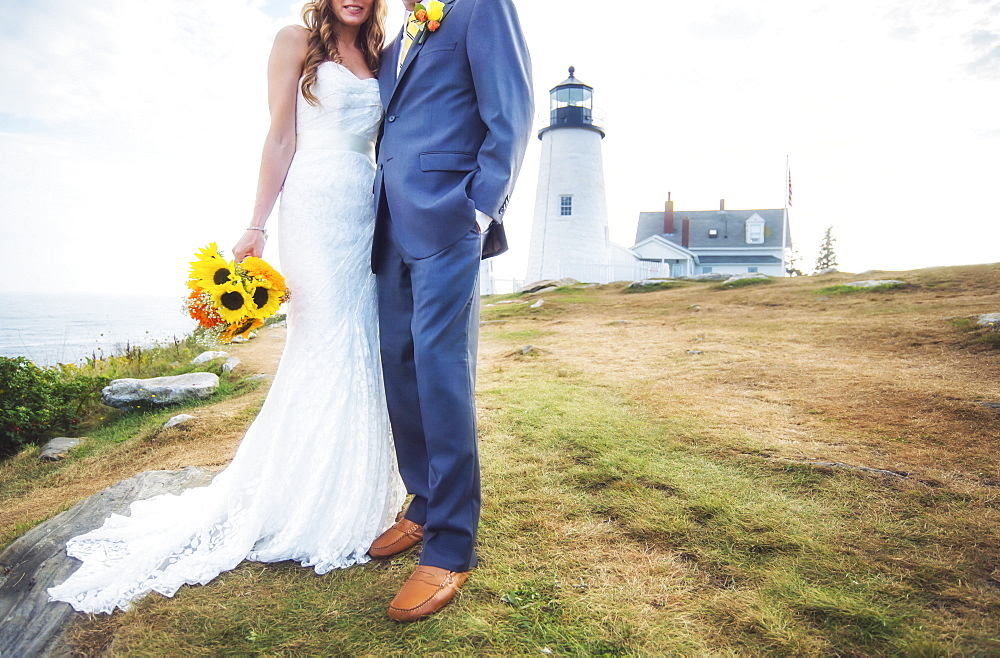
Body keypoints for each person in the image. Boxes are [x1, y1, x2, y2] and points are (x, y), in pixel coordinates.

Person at [47, 0, 406, 614]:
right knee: (322, 341)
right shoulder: (294, 40)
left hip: (366, 205)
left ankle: (361, 486)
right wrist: (257, 225)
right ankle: (301, 492)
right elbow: (280, 135)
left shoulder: (382, 53)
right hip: (314, 205)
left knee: (363, 340)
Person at [367, 0, 533, 622]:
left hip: (449, 220)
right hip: (389, 226)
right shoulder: (398, 34)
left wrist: (479, 209)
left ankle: (451, 545)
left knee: (441, 371)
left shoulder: (480, 7)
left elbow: (511, 112)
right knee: (399, 361)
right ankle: (423, 501)